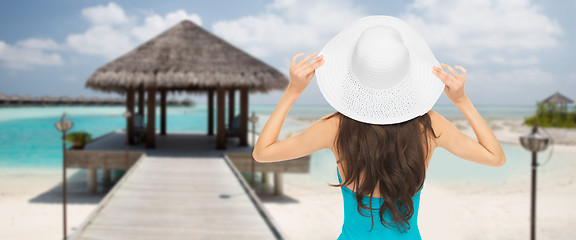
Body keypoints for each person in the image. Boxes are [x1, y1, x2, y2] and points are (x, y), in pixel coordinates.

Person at [252, 15, 506, 239]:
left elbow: (262, 152)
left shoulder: (336, 128)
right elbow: (495, 158)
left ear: (354, 75)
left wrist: (292, 92)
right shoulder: (429, 126)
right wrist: (462, 101)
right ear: (406, 76)